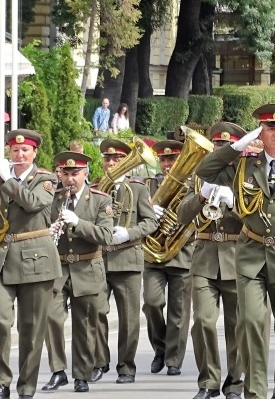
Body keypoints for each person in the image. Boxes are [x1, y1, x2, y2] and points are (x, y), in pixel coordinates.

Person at [195, 103, 275, 399]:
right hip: (251, 255)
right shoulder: (244, 165)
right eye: (270, 128)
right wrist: (236, 147)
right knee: (250, 324)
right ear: (261, 132)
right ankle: (254, 393)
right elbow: (204, 170)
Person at [0, 129, 61, 399]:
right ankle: (0, 382)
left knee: (31, 328)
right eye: (14, 151)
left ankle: (26, 387)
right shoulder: (0, 179)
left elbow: (33, 203)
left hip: (36, 259)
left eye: (25, 151)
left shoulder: (45, 179)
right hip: (0, 258)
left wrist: (8, 179)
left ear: (34, 153)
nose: (19, 155)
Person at [180, 122, 248, 399]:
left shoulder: (246, 179)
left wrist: (236, 204)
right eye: (216, 147)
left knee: (237, 326)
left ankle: (234, 382)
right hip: (205, 260)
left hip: (236, 259)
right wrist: (201, 196)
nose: (219, 152)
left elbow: (261, 220)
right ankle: (208, 382)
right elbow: (183, 216)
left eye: (225, 148)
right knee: (204, 322)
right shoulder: (198, 179)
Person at [42, 152, 113, 393]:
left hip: (87, 267)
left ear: (85, 174)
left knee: (84, 325)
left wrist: (78, 223)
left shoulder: (101, 201)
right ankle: (58, 371)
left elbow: (106, 236)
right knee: (51, 317)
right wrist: (46, 232)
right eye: (65, 174)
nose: (70, 179)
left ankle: (81, 375)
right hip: (58, 268)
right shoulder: (53, 198)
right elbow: (38, 227)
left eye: (75, 174)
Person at [92, 139, 159, 384]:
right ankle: (99, 360)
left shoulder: (138, 188)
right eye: (108, 159)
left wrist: (129, 233)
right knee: (95, 311)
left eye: (118, 159)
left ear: (127, 163)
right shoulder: (95, 187)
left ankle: (126, 367)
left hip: (128, 259)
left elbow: (151, 222)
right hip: (98, 259)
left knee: (129, 318)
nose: (112, 163)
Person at [143, 140, 194, 376]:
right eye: (163, 159)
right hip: (154, 256)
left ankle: (174, 359)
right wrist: (148, 211)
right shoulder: (147, 185)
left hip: (183, 254)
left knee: (179, 312)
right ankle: (160, 349)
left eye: (172, 159)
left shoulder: (193, 186)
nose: (167, 164)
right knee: (152, 303)